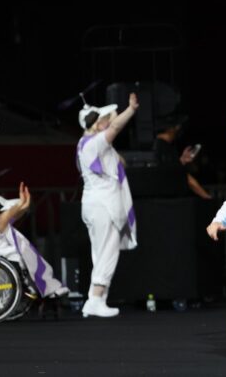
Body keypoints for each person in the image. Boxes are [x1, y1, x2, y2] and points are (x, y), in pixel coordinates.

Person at [77, 95, 138, 319]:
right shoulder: (93, 143)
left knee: (101, 252)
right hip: (102, 205)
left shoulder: (91, 145)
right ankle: (94, 298)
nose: (108, 123)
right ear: (97, 124)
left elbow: (120, 162)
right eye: (103, 120)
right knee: (106, 252)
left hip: (97, 203)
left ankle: (98, 299)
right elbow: (114, 127)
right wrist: (130, 110)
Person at [0, 183, 69, 300]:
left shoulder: (0, 226)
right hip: (7, 263)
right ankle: (47, 288)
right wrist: (20, 204)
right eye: (1, 212)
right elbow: (8, 216)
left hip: (13, 261)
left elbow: (13, 215)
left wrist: (24, 205)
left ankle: (48, 288)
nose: (5, 213)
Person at [153, 118, 212, 199]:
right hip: (167, 199)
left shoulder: (167, 147)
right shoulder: (160, 147)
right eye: (176, 127)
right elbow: (177, 174)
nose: (178, 130)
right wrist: (207, 197)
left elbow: (172, 168)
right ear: (169, 129)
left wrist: (182, 160)